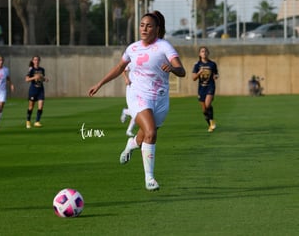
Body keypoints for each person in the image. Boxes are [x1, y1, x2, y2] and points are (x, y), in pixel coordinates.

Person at [88, 11, 186, 191]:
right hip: (137, 94)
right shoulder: (132, 48)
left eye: (149, 26)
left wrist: (172, 68)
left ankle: (131, 144)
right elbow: (120, 67)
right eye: (142, 25)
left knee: (145, 136)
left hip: (160, 98)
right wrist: (100, 83)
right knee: (151, 133)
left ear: (157, 29)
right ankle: (150, 178)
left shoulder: (164, 46)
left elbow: (182, 71)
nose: (144, 29)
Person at [192, 46, 219, 132]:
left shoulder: (212, 64)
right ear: (200, 54)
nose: (204, 53)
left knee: (207, 104)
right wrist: (199, 73)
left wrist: (216, 76)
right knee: (204, 110)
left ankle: (212, 124)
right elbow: (193, 78)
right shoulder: (197, 65)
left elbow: (216, 74)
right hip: (201, 88)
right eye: (202, 51)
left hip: (210, 86)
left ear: (208, 53)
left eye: (206, 51)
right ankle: (211, 124)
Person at [25, 55, 48, 128]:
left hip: (40, 89)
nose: (36, 61)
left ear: (39, 61)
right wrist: (34, 77)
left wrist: (45, 79)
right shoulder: (31, 70)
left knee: (41, 106)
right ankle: (28, 121)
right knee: (31, 107)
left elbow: (42, 78)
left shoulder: (42, 69)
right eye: (35, 60)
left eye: (37, 60)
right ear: (33, 61)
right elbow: (27, 79)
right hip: (33, 89)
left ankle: (37, 121)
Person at [120, 64, 136, 137]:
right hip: (132, 88)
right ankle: (129, 130)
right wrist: (126, 79)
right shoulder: (132, 59)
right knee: (136, 111)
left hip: (142, 89)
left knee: (137, 111)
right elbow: (123, 70)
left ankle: (129, 130)